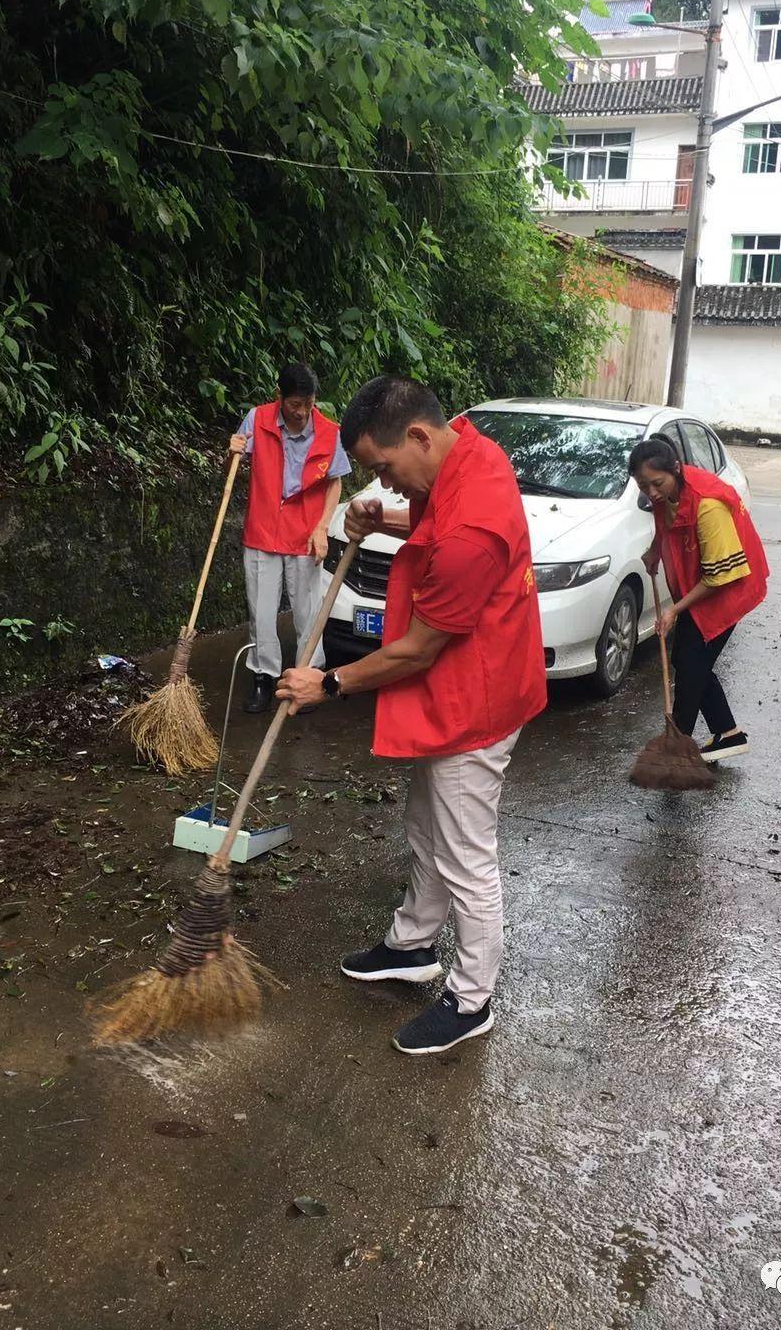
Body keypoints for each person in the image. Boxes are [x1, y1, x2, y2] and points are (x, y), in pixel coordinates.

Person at [277, 376, 546, 1055]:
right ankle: (413, 943)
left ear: (420, 437)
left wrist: (327, 683)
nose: (384, 482)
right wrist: (386, 518)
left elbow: (419, 649)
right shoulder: (469, 451)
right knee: (425, 822)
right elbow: (431, 518)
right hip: (462, 682)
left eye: (384, 468)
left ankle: (471, 998)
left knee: (465, 853)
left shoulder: (473, 530)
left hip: (474, 702)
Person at [630, 436, 769, 763]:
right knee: (688, 661)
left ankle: (676, 753)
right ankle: (727, 734)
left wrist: (674, 610)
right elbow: (667, 522)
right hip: (701, 586)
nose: (651, 493)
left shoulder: (708, 503)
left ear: (676, 470)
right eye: (642, 485)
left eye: (657, 483)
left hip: (727, 589)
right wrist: (654, 551)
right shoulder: (667, 492)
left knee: (691, 667)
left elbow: (721, 577)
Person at [229, 362, 351, 714]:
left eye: (308, 404)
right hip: (263, 531)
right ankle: (263, 679)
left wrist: (322, 527)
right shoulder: (257, 419)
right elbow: (233, 468)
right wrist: (232, 453)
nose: (301, 412)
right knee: (261, 614)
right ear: (279, 397)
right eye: (295, 404)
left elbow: (335, 481)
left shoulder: (330, 432)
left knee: (307, 612)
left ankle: (308, 677)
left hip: (305, 534)